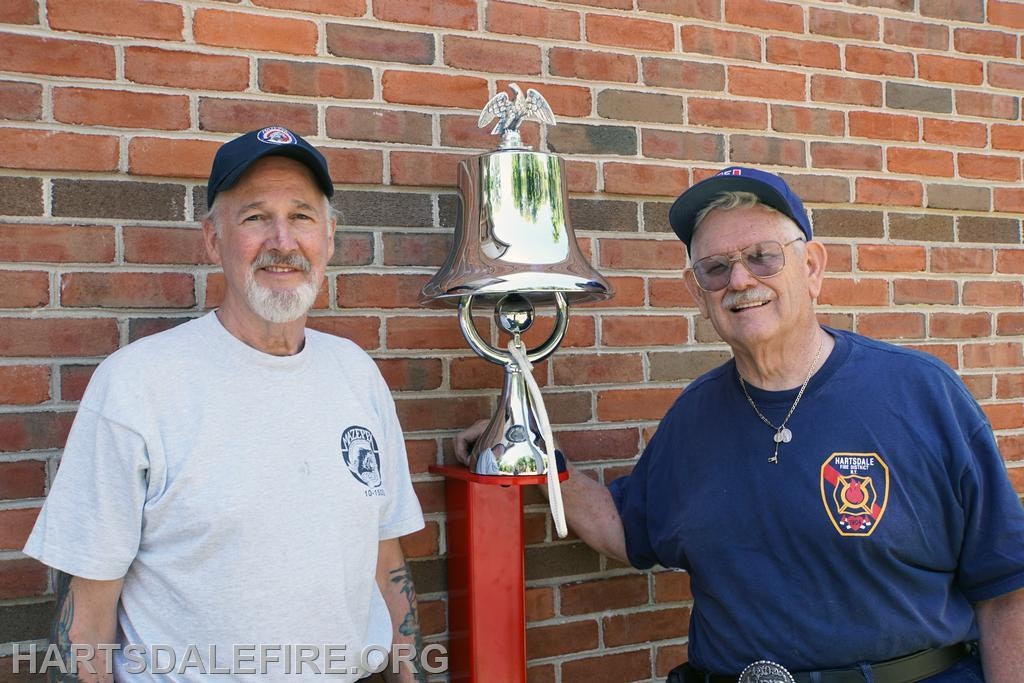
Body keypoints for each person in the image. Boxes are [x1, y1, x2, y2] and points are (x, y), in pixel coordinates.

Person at [456, 167, 1024, 682]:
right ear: (697, 292)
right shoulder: (695, 417)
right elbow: (628, 532)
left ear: (813, 267)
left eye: (762, 256)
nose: (741, 280)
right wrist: (528, 450)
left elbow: (1007, 589)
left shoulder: (921, 395)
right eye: (716, 267)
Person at [24, 126, 427, 682]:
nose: (282, 241)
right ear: (213, 240)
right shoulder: (138, 385)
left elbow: (387, 564)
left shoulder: (355, 373)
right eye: (256, 216)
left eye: (302, 216)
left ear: (329, 238)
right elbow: (87, 616)